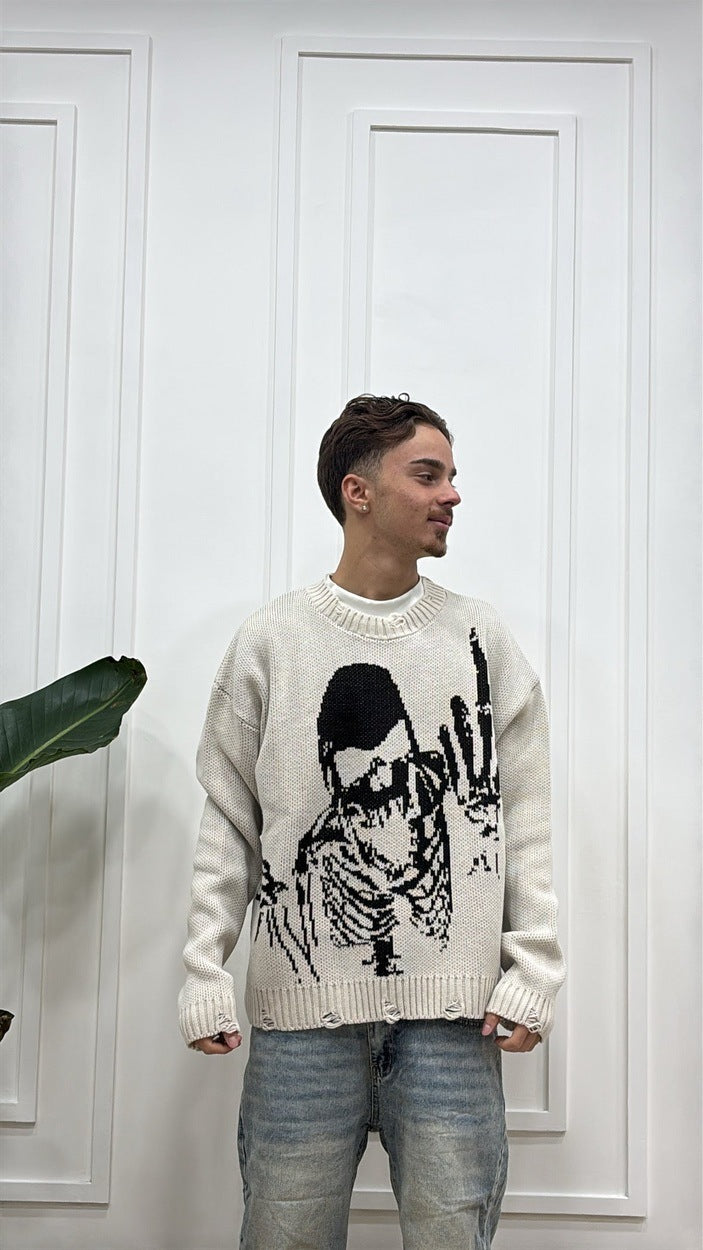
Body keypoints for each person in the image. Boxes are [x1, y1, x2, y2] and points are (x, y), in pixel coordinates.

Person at [178, 393, 566, 1249]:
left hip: (452, 1026)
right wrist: (204, 967)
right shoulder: (271, 641)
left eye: (452, 476)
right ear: (357, 491)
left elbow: (527, 816)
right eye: (427, 474)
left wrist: (533, 966)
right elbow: (228, 821)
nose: (451, 494)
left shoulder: (479, 639)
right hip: (300, 1029)